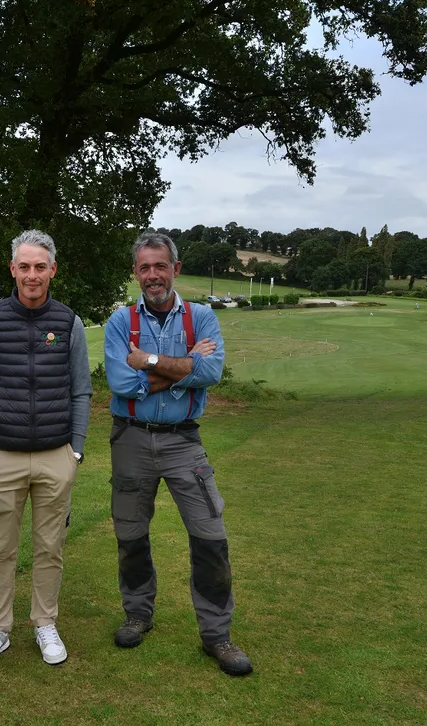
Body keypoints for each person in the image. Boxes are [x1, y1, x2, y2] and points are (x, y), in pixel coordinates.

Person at [102, 231, 253, 676]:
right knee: (131, 535)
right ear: (136, 272)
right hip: (130, 438)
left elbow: (211, 371)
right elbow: (121, 384)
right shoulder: (120, 322)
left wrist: (148, 362)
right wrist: (186, 364)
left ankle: (217, 636)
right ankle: (138, 615)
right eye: (145, 267)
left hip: (184, 440)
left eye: (161, 266)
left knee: (210, 536)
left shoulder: (201, 316)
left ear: (176, 269)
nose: (153, 275)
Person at [0, 229, 93, 672]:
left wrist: (75, 451)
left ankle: (44, 622)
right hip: (2, 456)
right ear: (12, 270)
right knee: (1, 549)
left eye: (40, 267)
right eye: (24, 266)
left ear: (52, 270)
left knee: (50, 547)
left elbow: (81, 389)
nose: (31, 275)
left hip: (57, 455)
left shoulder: (69, 322)